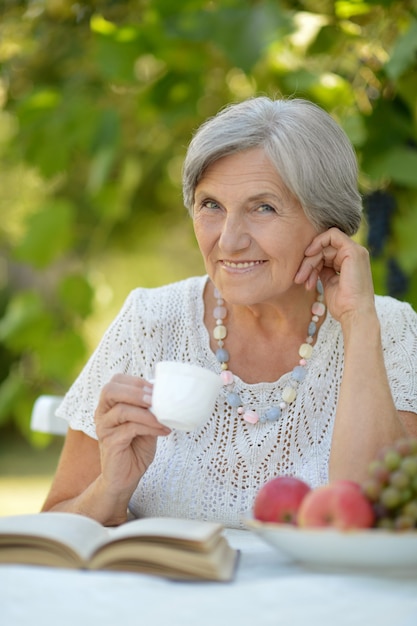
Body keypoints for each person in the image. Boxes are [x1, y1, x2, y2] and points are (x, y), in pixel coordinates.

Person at [42, 96, 417, 528]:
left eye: (264, 208)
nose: (229, 240)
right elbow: (52, 523)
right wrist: (110, 488)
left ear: (327, 223)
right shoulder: (150, 321)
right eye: (211, 206)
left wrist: (358, 322)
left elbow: (379, 518)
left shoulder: (386, 329)